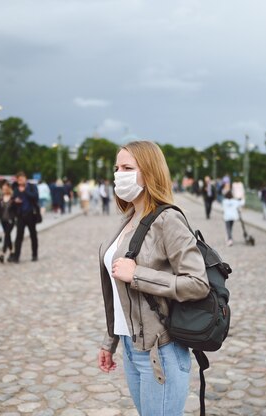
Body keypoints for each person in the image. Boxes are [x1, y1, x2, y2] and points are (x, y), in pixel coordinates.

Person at [97, 141, 209, 416]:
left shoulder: (168, 219)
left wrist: (138, 275)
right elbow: (119, 294)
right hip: (130, 346)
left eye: (126, 168)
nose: (118, 174)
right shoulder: (129, 218)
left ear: (148, 173)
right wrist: (110, 341)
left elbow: (198, 283)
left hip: (161, 350)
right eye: (116, 168)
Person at [11, 172, 39, 263]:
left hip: (31, 214)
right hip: (20, 215)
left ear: (25, 178)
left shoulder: (31, 187)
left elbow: (35, 197)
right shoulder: (15, 189)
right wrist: (16, 201)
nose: (20, 181)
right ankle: (16, 256)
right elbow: (13, 199)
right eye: (18, 180)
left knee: (33, 235)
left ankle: (34, 254)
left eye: (21, 179)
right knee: (19, 236)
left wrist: (25, 191)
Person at [0, 180, 17, 263]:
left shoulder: (13, 198)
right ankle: (12, 252)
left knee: (6, 234)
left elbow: (16, 210)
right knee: (8, 236)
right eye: (2, 189)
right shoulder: (1, 198)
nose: (3, 191)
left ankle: (2, 253)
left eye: (5, 189)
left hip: (11, 220)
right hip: (3, 220)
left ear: (8, 189)